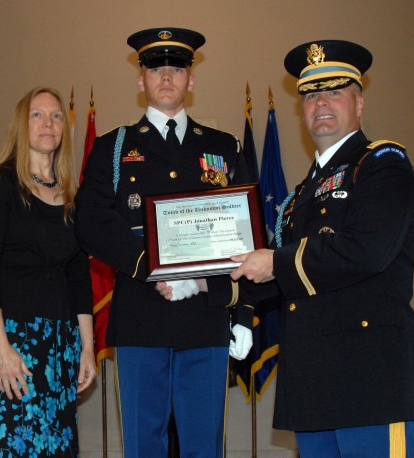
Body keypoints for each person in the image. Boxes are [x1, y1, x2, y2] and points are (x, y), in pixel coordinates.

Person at [165, 39, 414, 457]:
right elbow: (277, 280)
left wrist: (274, 260)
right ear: (301, 108)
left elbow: (365, 251)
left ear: (359, 103)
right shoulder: (297, 198)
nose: (321, 103)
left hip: (374, 383)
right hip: (313, 386)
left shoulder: (382, 165)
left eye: (335, 91)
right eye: (311, 94)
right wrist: (201, 283)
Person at [74, 27, 253, 458]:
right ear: (141, 81)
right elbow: (90, 221)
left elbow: (246, 233)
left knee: (203, 444)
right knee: (142, 445)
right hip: (141, 316)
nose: (167, 77)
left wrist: (243, 310)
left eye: (177, 68)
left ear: (192, 79)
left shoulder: (222, 147)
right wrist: (150, 266)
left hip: (206, 317)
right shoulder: (113, 148)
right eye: (157, 69)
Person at [0, 87, 96, 457]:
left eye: (56, 116)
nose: (48, 123)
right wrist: (0, 348)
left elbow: (79, 277)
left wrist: (87, 349)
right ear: (21, 126)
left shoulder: (73, 198)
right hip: (10, 340)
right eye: (37, 115)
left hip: (60, 344)